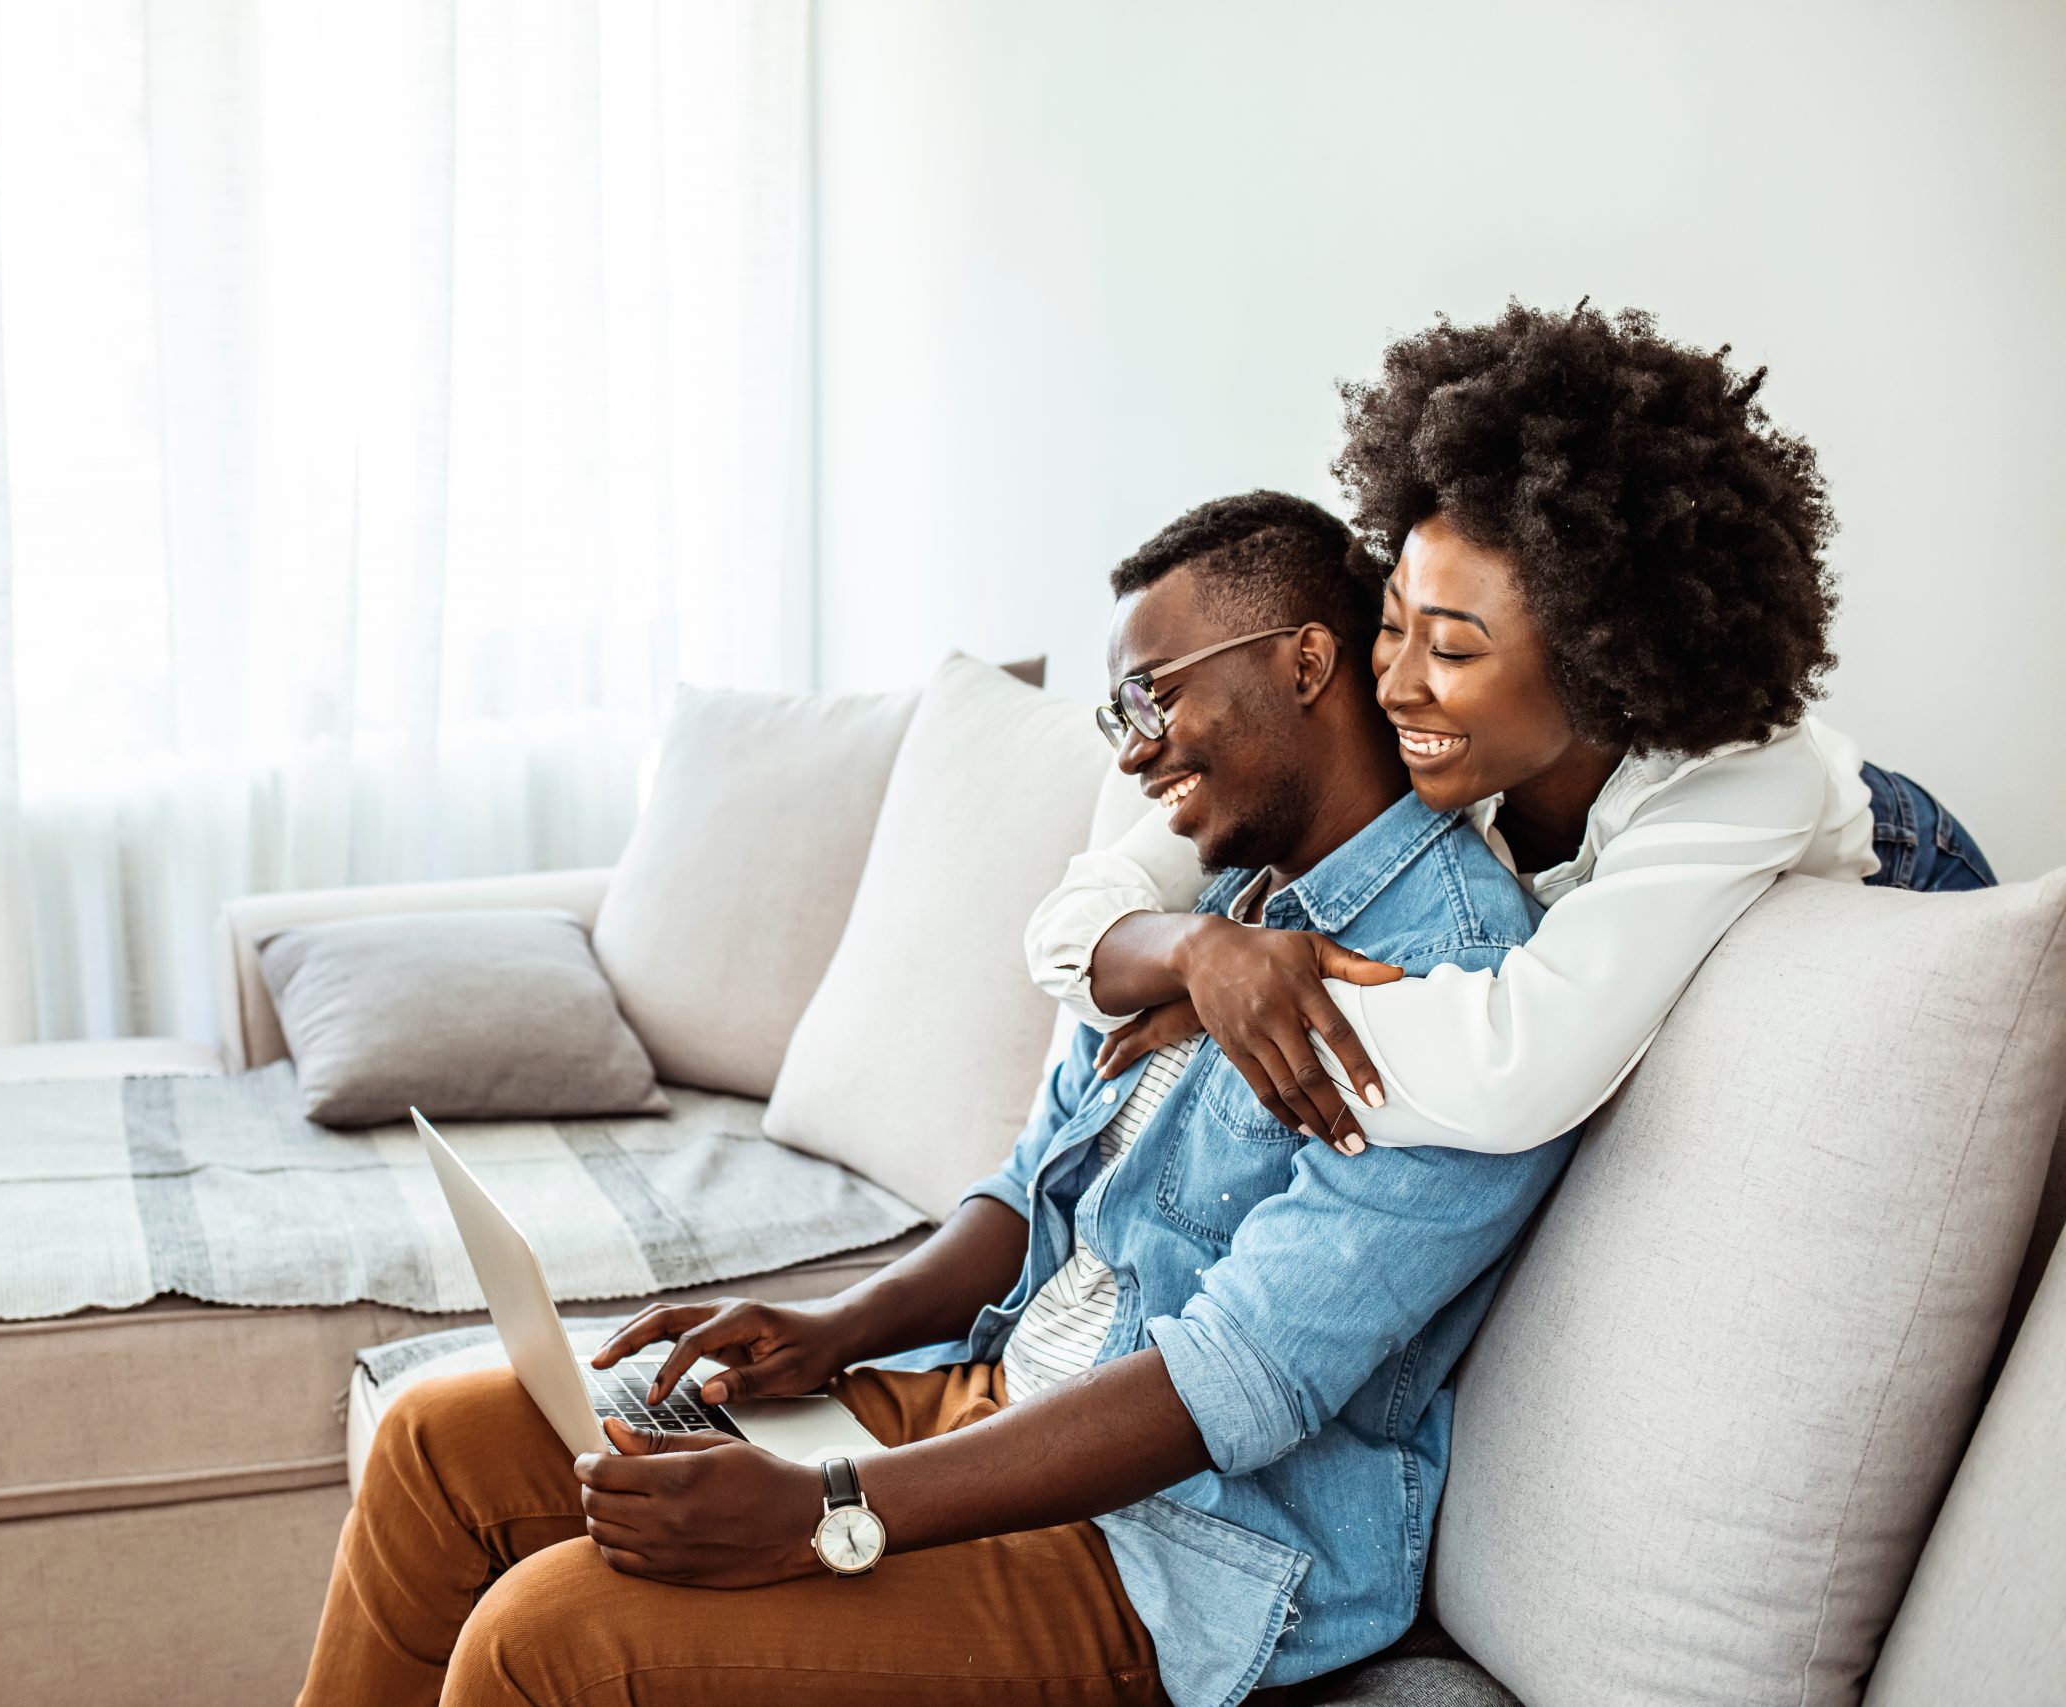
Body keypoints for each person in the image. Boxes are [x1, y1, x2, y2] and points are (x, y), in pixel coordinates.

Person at [295, 496, 1580, 1707]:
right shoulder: (1208, 905)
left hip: (1168, 1545)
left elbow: (1235, 1378)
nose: (1134, 748)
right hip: (984, 1393)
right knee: (439, 1444)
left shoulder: (1452, 979)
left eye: (1156, 693)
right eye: (1116, 709)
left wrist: (827, 1504)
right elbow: (1030, 1196)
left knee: (549, 1634)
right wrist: (833, 1329)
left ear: (1304, 663)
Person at [1029, 302, 1995, 1155]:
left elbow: (1514, 1071)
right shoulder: (1394, 710)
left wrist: (1227, 1011)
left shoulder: (1743, 780)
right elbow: (1074, 922)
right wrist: (1196, 953)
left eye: (1451, 651)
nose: (1398, 686)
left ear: (1598, 669)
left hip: (1911, 865)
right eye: (1393, 627)